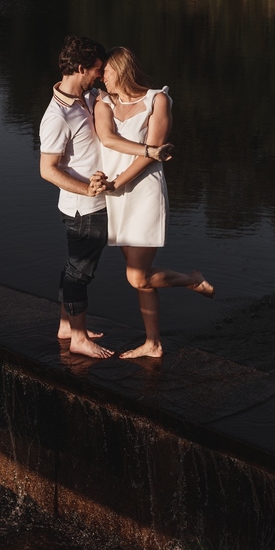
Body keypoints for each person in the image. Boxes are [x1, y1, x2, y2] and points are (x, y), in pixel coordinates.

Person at [39, 36, 173, 359]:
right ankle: (79, 337)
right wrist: (88, 189)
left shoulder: (87, 98)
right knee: (80, 272)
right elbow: (47, 170)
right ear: (81, 69)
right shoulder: (57, 116)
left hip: (103, 199)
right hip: (85, 206)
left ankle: (65, 326)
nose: (100, 76)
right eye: (97, 71)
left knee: (74, 267)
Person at [94, 47, 214, 359]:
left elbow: (154, 149)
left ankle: (192, 280)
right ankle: (153, 343)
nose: (100, 76)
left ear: (120, 69)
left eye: (104, 71)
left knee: (137, 276)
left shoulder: (157, 100)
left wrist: (118, 182)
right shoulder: (103, 101)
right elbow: (106, 137)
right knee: (140, 277)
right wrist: (113, 185)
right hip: (115, 194)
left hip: (143, 191)